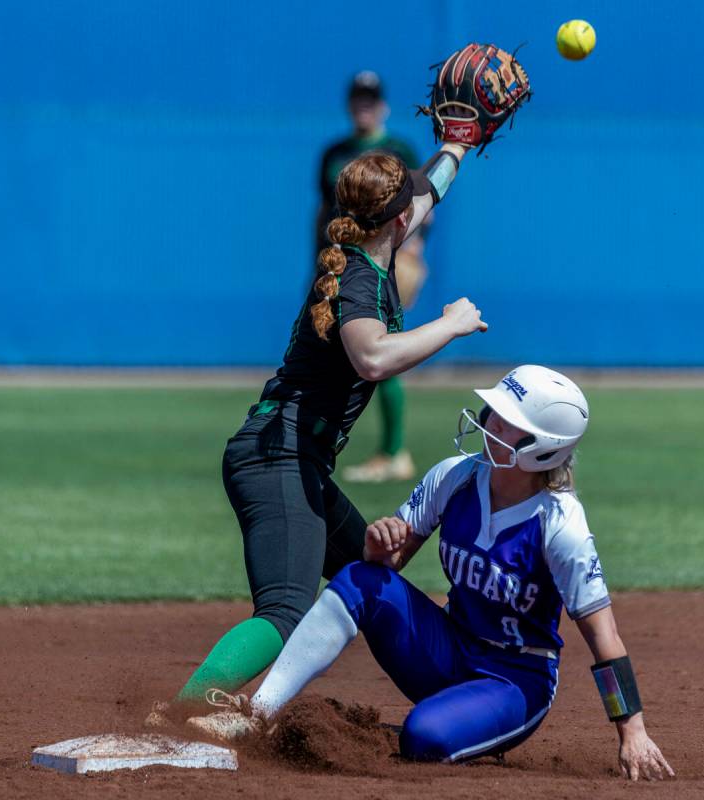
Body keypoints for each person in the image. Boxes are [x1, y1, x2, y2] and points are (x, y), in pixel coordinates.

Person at [185, 366, 675, 782]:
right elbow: (387, 567)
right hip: (449, 646)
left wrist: (632, 730)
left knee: (424, 736)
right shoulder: (455, 476)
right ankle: (258, 713)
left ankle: (462, 726)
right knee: (359, 578)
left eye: (506, 421)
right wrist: (379, 547)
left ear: (541, 449)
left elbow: (604, 637)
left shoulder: (560, 526)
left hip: (513, 679)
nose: (488, 421)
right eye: (493, 412)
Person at [145, 139, 486, 729]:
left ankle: (426, 694)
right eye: (410, 206)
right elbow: (372, 357)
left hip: (295, 459)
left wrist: (457, 143)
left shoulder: (374, 244)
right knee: (284, 610)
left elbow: (427, 194)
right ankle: (179, 715)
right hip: (276, 458)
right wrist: (449, 326)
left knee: (372, 571)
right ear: (398, 220)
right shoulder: (358, 278)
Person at [317, 70, 429, 483]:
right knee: (338, 355)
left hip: (387, 259)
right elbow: (324, 211)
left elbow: (422, 201)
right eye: (358, 99)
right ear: (350, 104)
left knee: (378, 353)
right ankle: (333, 444)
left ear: (382, 105)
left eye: (371, 99)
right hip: (338, 263)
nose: (364, 106)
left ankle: (393, 450)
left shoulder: (397, 148)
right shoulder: (334, 153)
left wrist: (413, 247)